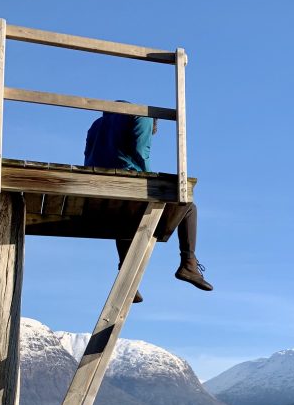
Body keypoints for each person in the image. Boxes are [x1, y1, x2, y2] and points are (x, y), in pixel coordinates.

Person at [84, 108, 213, 302]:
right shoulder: (141, 116)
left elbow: (87, 156)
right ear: (153, 125)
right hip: (127, 186)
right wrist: (150, 183)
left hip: (96, 192)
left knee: (124, 219)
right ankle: (188, 263)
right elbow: (141, 151)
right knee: (188, 205)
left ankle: (126, 276)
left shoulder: (95, 125)